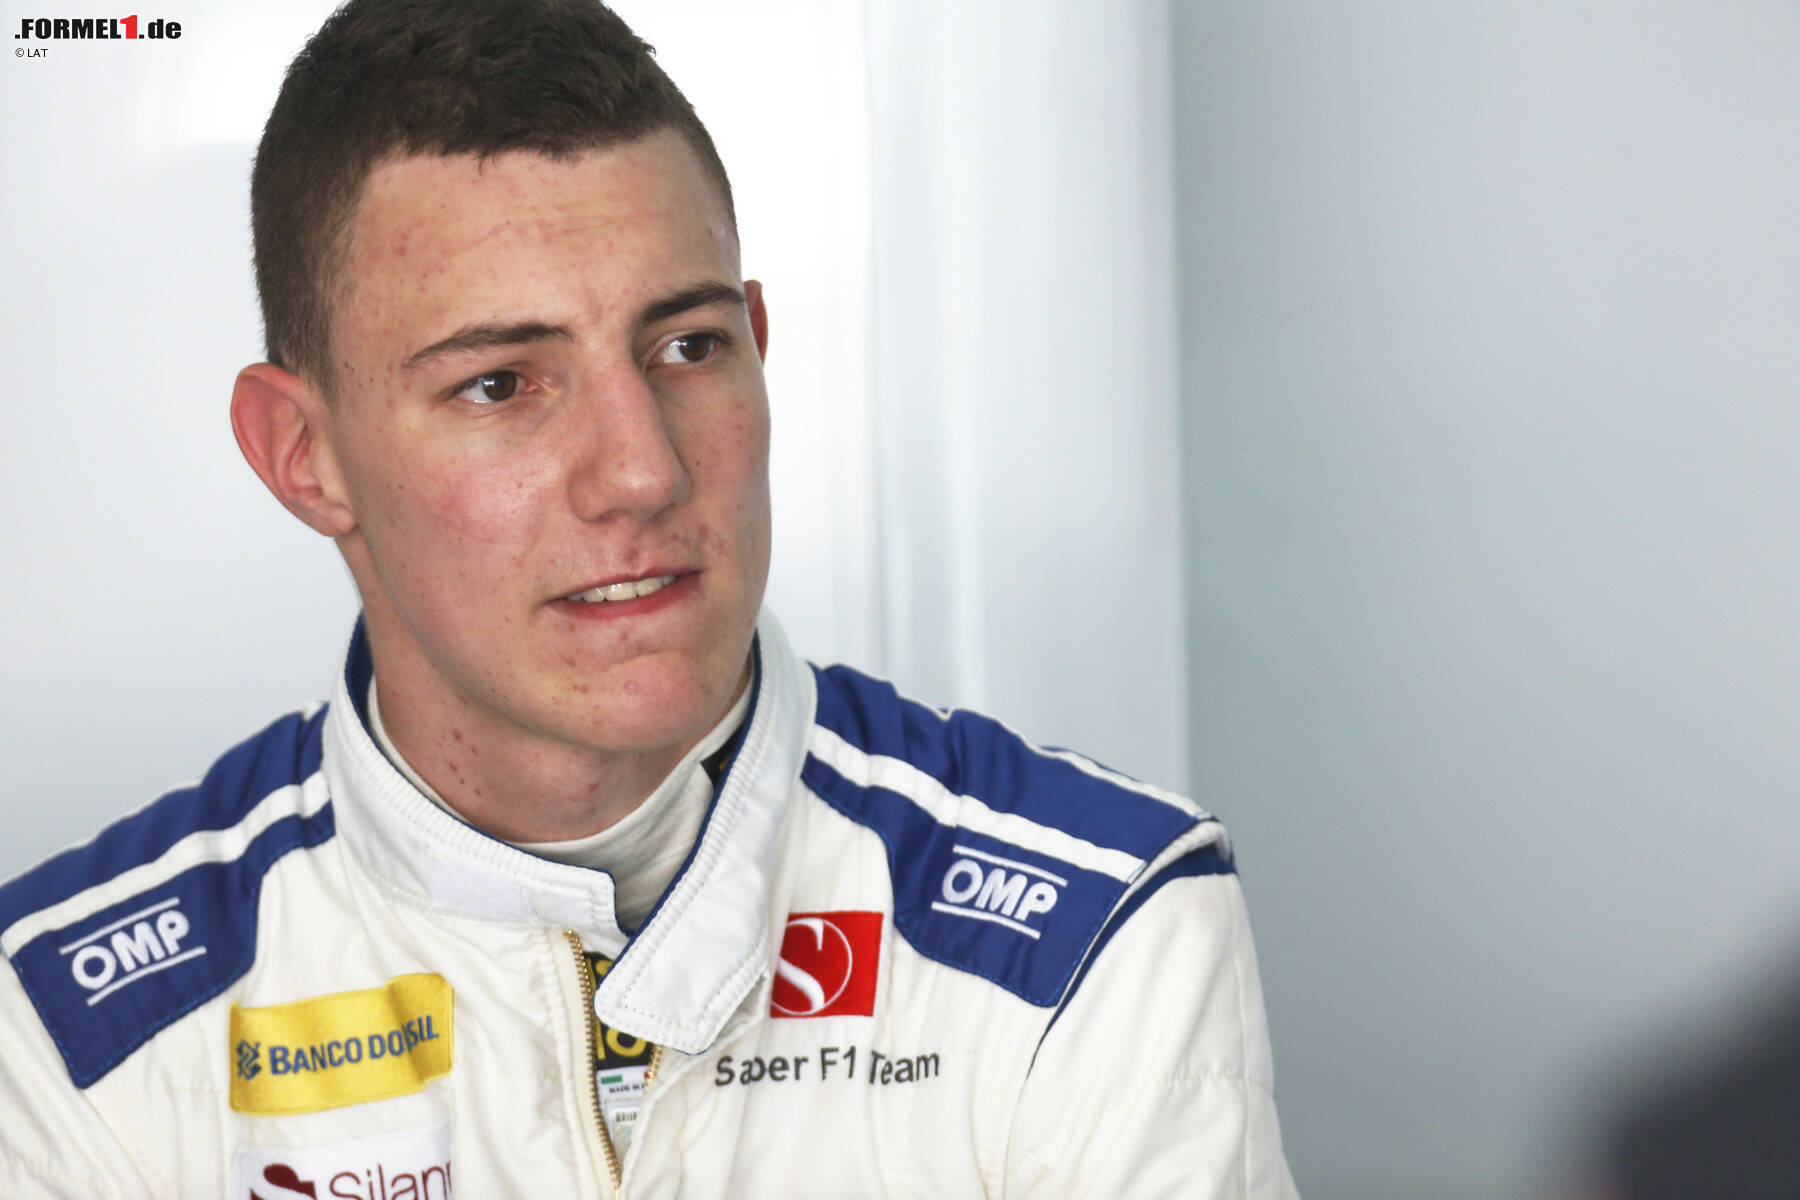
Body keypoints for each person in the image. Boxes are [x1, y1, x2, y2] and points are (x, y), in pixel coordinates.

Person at [0, 0, 1298, 1194]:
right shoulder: (60, 1035)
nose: (643, 470)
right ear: (304, 453)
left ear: (760, 352)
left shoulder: (1092, 932)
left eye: (687, 347)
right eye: (500, 384)